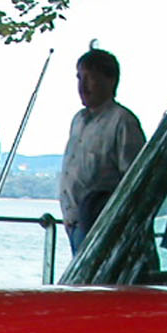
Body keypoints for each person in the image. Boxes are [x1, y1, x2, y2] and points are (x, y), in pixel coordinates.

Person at [57, 47, 143, 254]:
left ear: (110, 80)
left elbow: (135, 180)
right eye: (79, 78)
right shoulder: (78, 121)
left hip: (101, 227)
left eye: (90, 78)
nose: (82, 86)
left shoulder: (122, 122)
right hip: (74, 223)